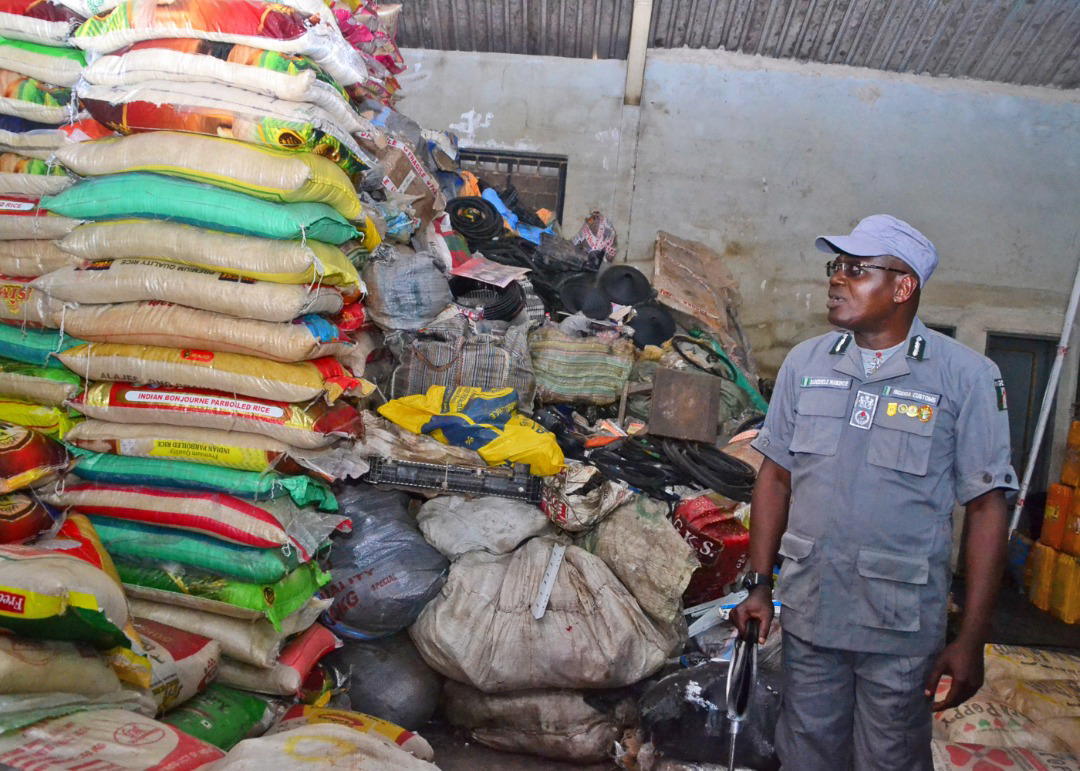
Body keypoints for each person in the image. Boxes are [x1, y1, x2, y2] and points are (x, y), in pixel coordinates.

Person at [732, 214, 1016, 771]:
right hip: (812, 613)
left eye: (857, 270)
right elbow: (775, 477)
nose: (837, 279)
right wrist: (759, 585)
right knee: (805, 754)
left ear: (903, 287)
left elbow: (986, 508)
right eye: (836, 267)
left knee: (887, 759)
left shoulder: (966, 378)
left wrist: (973, 637)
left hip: (900, 629)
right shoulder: (806, 364)